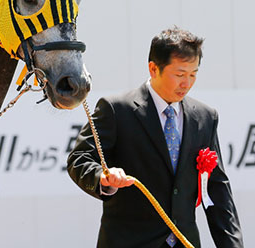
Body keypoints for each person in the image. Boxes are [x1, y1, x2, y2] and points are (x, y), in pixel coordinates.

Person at [67, 26, 244, 248]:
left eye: (193, 74)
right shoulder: (116, 109)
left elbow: (217, 191)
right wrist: (103, 178)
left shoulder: (205, 117)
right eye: (179, 74)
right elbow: (79, 158)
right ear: (153, 68)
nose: (186, 83)